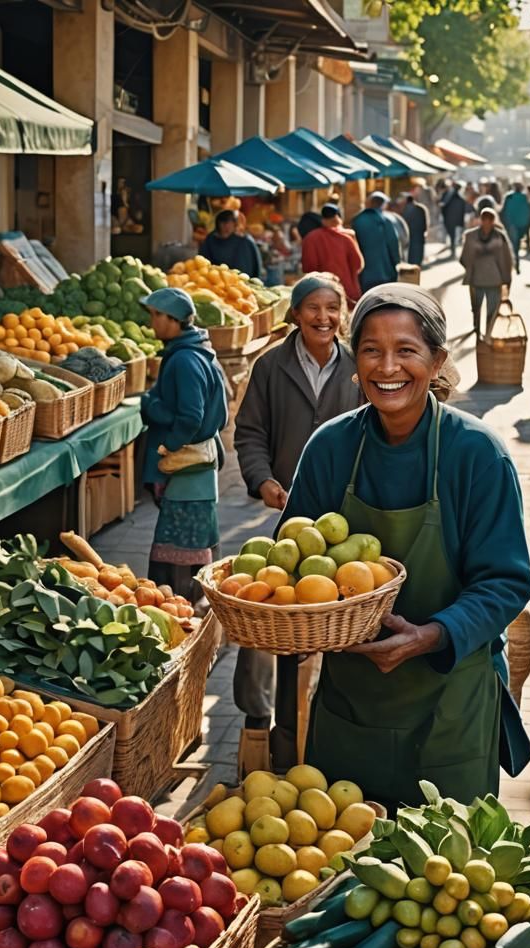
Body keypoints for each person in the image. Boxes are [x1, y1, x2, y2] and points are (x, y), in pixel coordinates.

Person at [280, 284, 530, 808]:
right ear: (355, 359)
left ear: (438, 360)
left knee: (442, 874)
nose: (386, 366)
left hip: (450, 702)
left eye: (406, 350)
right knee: (337, 867)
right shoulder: (331, 447)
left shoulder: (477, 454)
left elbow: (506, 581)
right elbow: (290, 568)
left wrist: (431, 634)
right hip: (352, 701)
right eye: (371, 349)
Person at [233, 273, 362, 772]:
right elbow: (249, 434)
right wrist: (263, 480)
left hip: (349, 527)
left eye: (334, 308)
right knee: (277, 622)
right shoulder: (271, 366)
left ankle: (333, 735)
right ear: (295, 314)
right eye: (314, 307)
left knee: (344, 627)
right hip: (292, 524)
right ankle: (270, 726)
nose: (324, 317)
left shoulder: (357, 366)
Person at [138, 287, 228, 598]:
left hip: (188, 470)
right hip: (199, 471)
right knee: (196, 542)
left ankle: (185, 610)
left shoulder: (185, 360)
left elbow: (190, 417)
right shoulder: (198, 351)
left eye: (155, 316)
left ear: (173, 320)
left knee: (180, 549)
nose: (152, 324)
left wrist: (167, 442)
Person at [459, 208, 513, 338]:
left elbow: (506, 259)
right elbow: (464, 258)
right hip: (480, 279)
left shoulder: (499, 236)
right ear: (481, 220)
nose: (487, 222)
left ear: (493, 221)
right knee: (477, 308)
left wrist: (506, 278)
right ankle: (479, 330)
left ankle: (487, 333)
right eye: (485, 219)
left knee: (491, 310)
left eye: (489, 220)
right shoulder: (472, 236)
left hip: (492, 280)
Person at [300, 203, 364, 303]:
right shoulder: (347, 237)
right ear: (338, 217)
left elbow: (308, 268)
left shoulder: (310, 238)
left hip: (320, 292)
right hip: (347, 293)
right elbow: (358, 265)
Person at [352, 192, 401, 291]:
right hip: (386, 273)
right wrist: (397, 262)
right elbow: (393, 243)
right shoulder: (385, 220)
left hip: (364, 275)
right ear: (382, 205)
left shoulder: (357, 220)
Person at [199, 209, 263, 278]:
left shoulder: (244, 241)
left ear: (234, 224)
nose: (226, 227)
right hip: (216, 280)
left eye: (230, 223)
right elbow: (203, 262)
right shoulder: (211, 239)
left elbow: (253, 266)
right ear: (218, 224)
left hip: (242, 281)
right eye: (223, 223)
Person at [500, 183, 530, 273]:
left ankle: (514, 263)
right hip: (519, 224)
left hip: (513, 224)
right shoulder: (523, 197)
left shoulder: (509, 196)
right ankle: (515, 263)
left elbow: (503, 210)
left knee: (514, 245)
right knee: (515, 245)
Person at [401, 192, 429, 266]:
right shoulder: (421, 208)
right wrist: (425, 231)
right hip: (419, 234)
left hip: (409, 234)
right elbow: (426, 221)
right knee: (418, 252)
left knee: (410, 253)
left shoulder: (404, 209)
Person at [440, 181, 468, 257]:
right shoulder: (459, 198)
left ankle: (453, 251)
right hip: (454, 220)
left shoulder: (449, 196)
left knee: (453, 236)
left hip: (450, 220)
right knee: (454, 236)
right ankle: (453, 251)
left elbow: (442, 207)